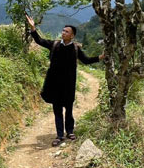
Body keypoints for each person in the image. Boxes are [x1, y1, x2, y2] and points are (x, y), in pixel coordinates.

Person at [25, 14, 104, 147]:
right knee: (57, 110)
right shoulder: (54, 44)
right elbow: (39, 41)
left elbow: (86, 60)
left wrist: (100, 57)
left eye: (66, 31)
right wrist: (33, 28)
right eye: (63, 30)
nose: (63, 33)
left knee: (69, 109)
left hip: (68, 84)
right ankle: (60, 135)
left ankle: (70, 131)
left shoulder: (75, 49)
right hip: (55, 84)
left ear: (72, 35)